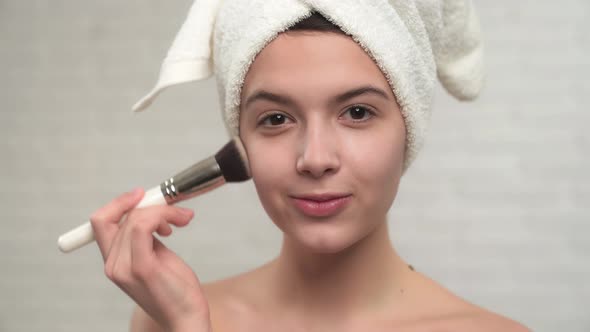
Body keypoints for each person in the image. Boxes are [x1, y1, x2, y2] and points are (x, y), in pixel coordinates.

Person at [90, 6, 531, 332]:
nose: (316, 158)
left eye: (357, 112)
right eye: (276, 119)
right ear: (240, 137)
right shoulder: (169, 317)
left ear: (409, 127)